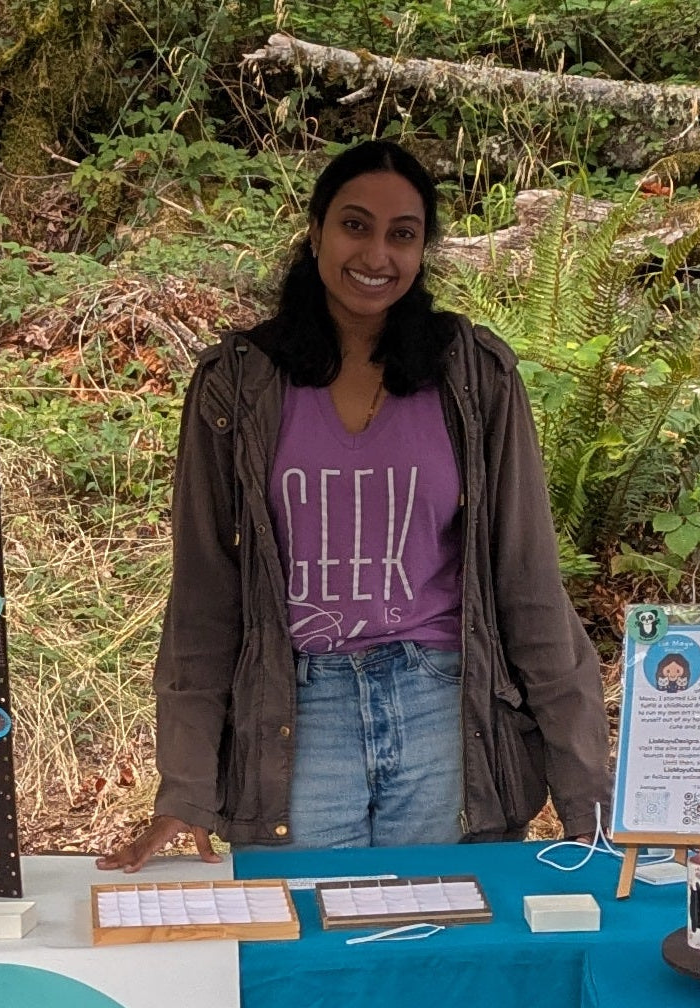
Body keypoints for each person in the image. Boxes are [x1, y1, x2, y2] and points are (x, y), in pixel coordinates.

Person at [97, 139, 611, 873]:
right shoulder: (240, 384)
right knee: (309, 953)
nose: (377, 253)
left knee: (439, 948)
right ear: (315, 232)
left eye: (403, 234)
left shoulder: (472, 376)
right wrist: (186, 788)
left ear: (423, 249)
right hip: (299, 715)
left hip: (443, 709)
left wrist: (587, 789)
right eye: (355, 225)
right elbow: (204, 596)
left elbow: (528, 582)